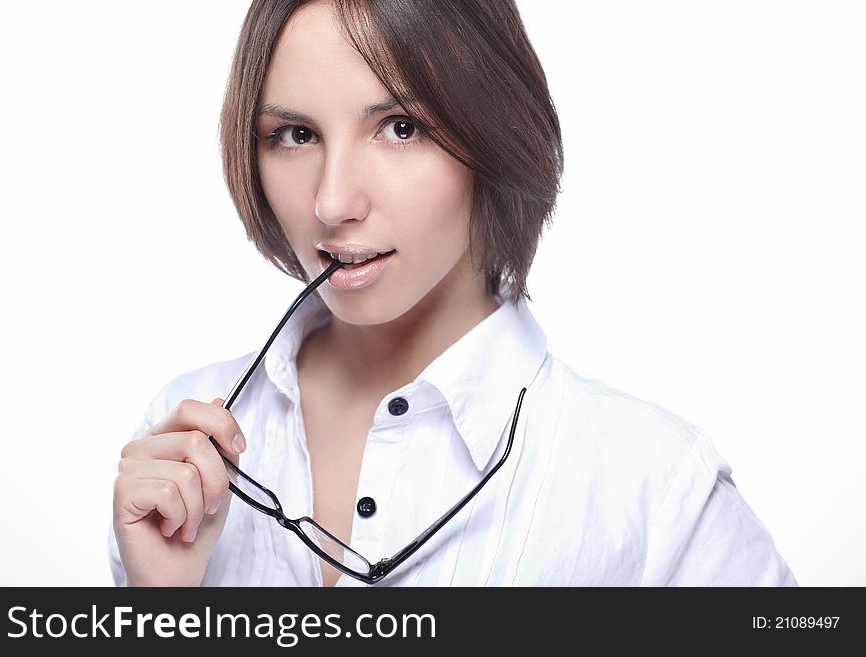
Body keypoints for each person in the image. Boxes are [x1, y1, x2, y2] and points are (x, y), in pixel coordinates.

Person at [110, 0, 796, 587]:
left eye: (400, 127)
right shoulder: (179, 441)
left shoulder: (653, 488)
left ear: (494, 133)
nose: (332, 200)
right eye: (294, 135)